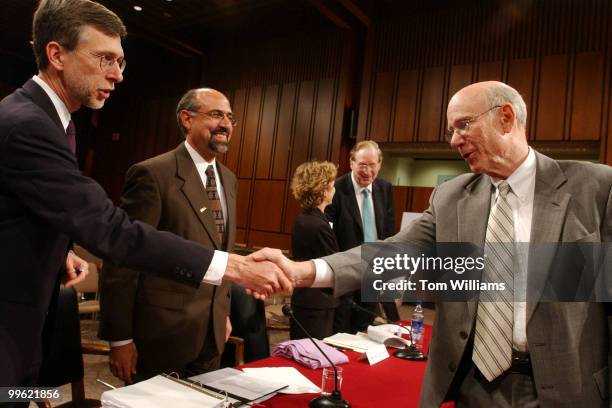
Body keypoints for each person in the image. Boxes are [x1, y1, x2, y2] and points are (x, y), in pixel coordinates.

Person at [258, 81, 612, 407]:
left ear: (506, 117)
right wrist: (303, 271)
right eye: (451, 130)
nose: (454, 139)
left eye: (463, 124)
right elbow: (395, 252)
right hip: (474, 386)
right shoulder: (451, 197)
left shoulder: (596, 189)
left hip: (566, 388)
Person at [0, 0, 289, 389]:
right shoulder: (29, 124)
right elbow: (113, 231)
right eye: (104, 59)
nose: (117, 75)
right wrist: (233, 267)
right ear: (57, 55)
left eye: (120, 62)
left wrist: (60, 248)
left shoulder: (49, 120)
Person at [99, 88, 238, 382]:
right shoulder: (152, 174)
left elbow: (220, 250)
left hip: (212, 334)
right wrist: (120, 339)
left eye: (230, 118)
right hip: (161, 336)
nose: (225, 124)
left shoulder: (229, 180)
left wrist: (221, 313)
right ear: (186, 119)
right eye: (216, 115)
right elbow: (123, 257)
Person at [325, 140, 399, 333]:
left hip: (374, 268)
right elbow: (328, 232)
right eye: (362, 165)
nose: (367, 171)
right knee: (341, 328)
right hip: (346, 269)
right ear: (351, 163)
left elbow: (388, 229)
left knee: (365, 327)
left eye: (372, 165)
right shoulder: (336, 189)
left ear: (379, 165)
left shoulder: (385, 188)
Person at [289, 161, 339, 340]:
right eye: (332, 186)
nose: (334, 190)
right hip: (317, 303)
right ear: (323, 191)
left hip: (304, 299)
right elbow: (333, 265)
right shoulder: (319, 225)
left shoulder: (303, 218)